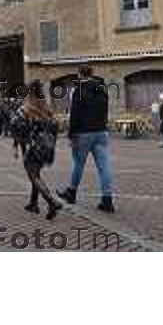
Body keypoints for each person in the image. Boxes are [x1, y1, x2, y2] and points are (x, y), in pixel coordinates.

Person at [57, 64, 115, 213]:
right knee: (104, 167)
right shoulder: (101, 89)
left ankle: (71, 192)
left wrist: (71, 134)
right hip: (101, 131)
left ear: (79, 74)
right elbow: (106, 109)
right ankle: (107, 199)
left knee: (79, 164)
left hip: (83, 133)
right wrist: (103, 125)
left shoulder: (78, 91)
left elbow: (74, 115)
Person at [10, 92, 62, 220]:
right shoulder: (47, 110)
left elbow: (15, 126)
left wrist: (17, 144)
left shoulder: (25, 110)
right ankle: (33, 203)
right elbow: (56, 128)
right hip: (47, 148)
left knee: (33, 175)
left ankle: (51, 201)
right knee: (36, 173)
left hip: (32, 147)